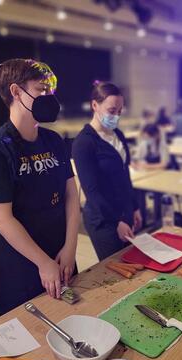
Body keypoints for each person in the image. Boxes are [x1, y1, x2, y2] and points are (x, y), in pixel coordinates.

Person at [0, 59, 80, 317]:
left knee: (71, 319)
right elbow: (1, 219)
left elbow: (71, 195)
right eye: (41, 90)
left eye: (50, 91)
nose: (49, 97)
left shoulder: (54, 140)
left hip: (60, 253)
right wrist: (43, 262)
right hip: (20, 262)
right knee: (28, 333)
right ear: (15, 91)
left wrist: (70, 247)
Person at [72, 81, 142, 260]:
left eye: (120, 111)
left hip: (124, 212)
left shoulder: (118, 135)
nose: (116, 116)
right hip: (103, 220)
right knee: (116, 270)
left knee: (132, 264)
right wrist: (115, 222)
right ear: (95, 105)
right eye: (112, 111)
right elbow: (92, 191)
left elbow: (125, 175)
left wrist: (134, 207)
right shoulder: (84, 143)